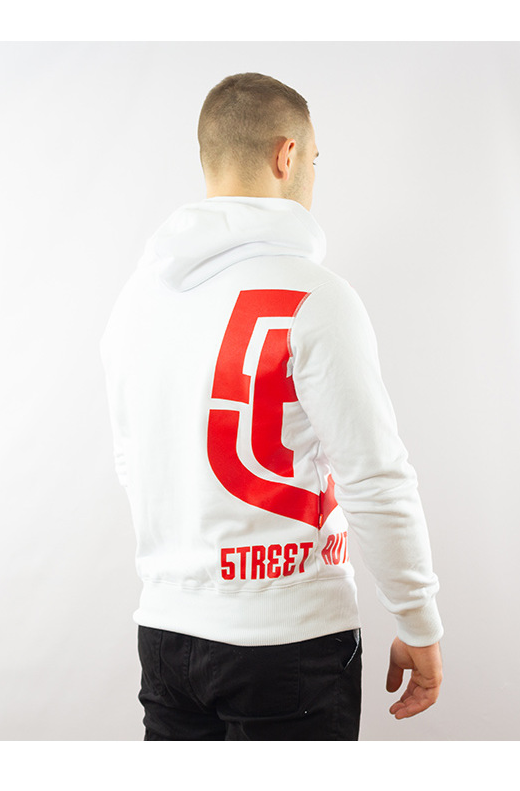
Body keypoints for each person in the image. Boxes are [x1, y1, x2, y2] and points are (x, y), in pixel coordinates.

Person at [99, 72, 444, 740]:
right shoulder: (315, 297)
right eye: (315, 160)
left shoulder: (135, 301)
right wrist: (417, 617)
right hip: (289, 642)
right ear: (288, 155)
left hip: (166, 635)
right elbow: (374, 476)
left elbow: (130, 459)